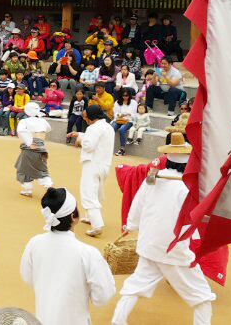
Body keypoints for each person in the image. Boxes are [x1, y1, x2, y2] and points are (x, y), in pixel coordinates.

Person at [111, 135, 215, 325]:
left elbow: (138, 203)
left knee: (134, 287)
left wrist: (131, 225)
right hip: (174, 249)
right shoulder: (192, 185)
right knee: (202, 296)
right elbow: (203, 215)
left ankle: (117, 321)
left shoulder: (153, 176)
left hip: (149, 243)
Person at [20, 188, 116, 325]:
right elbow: (103, 296)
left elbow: (27, 277)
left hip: (43, 318)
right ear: (73, 217)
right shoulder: (87, 253)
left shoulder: (34, 243)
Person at [67, 105, 114, 237]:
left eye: (86, 117)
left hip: (93, 163)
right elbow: (96, 139)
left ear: (92, 117)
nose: (85, 119)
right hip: (104, 165)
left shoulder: (94, 128)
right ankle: (90, 217)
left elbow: (88, 146)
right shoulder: (108, 127)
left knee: (88, 194)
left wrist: (80, 138)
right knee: (96, 191)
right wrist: (81, 134)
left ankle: (97, 224)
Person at [15, 103, 53, 197]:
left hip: (29, 147)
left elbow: (21, 131)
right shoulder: (43, 121)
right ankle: (48, 187)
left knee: (22, 169)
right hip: (41, 147)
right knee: (42, 169)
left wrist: (29, 142)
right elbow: (48, 130)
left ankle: (27, 189)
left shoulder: (24, 122)